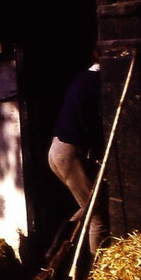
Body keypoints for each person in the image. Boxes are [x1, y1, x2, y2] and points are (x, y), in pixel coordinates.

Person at [47, 50, 108, 255]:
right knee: (96, 213)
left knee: (89, 202)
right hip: (68, 154)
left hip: (58, 151)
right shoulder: (95, 82)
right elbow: (101, 120)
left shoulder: (82, 78)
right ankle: (100, 273)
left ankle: (60, 244)